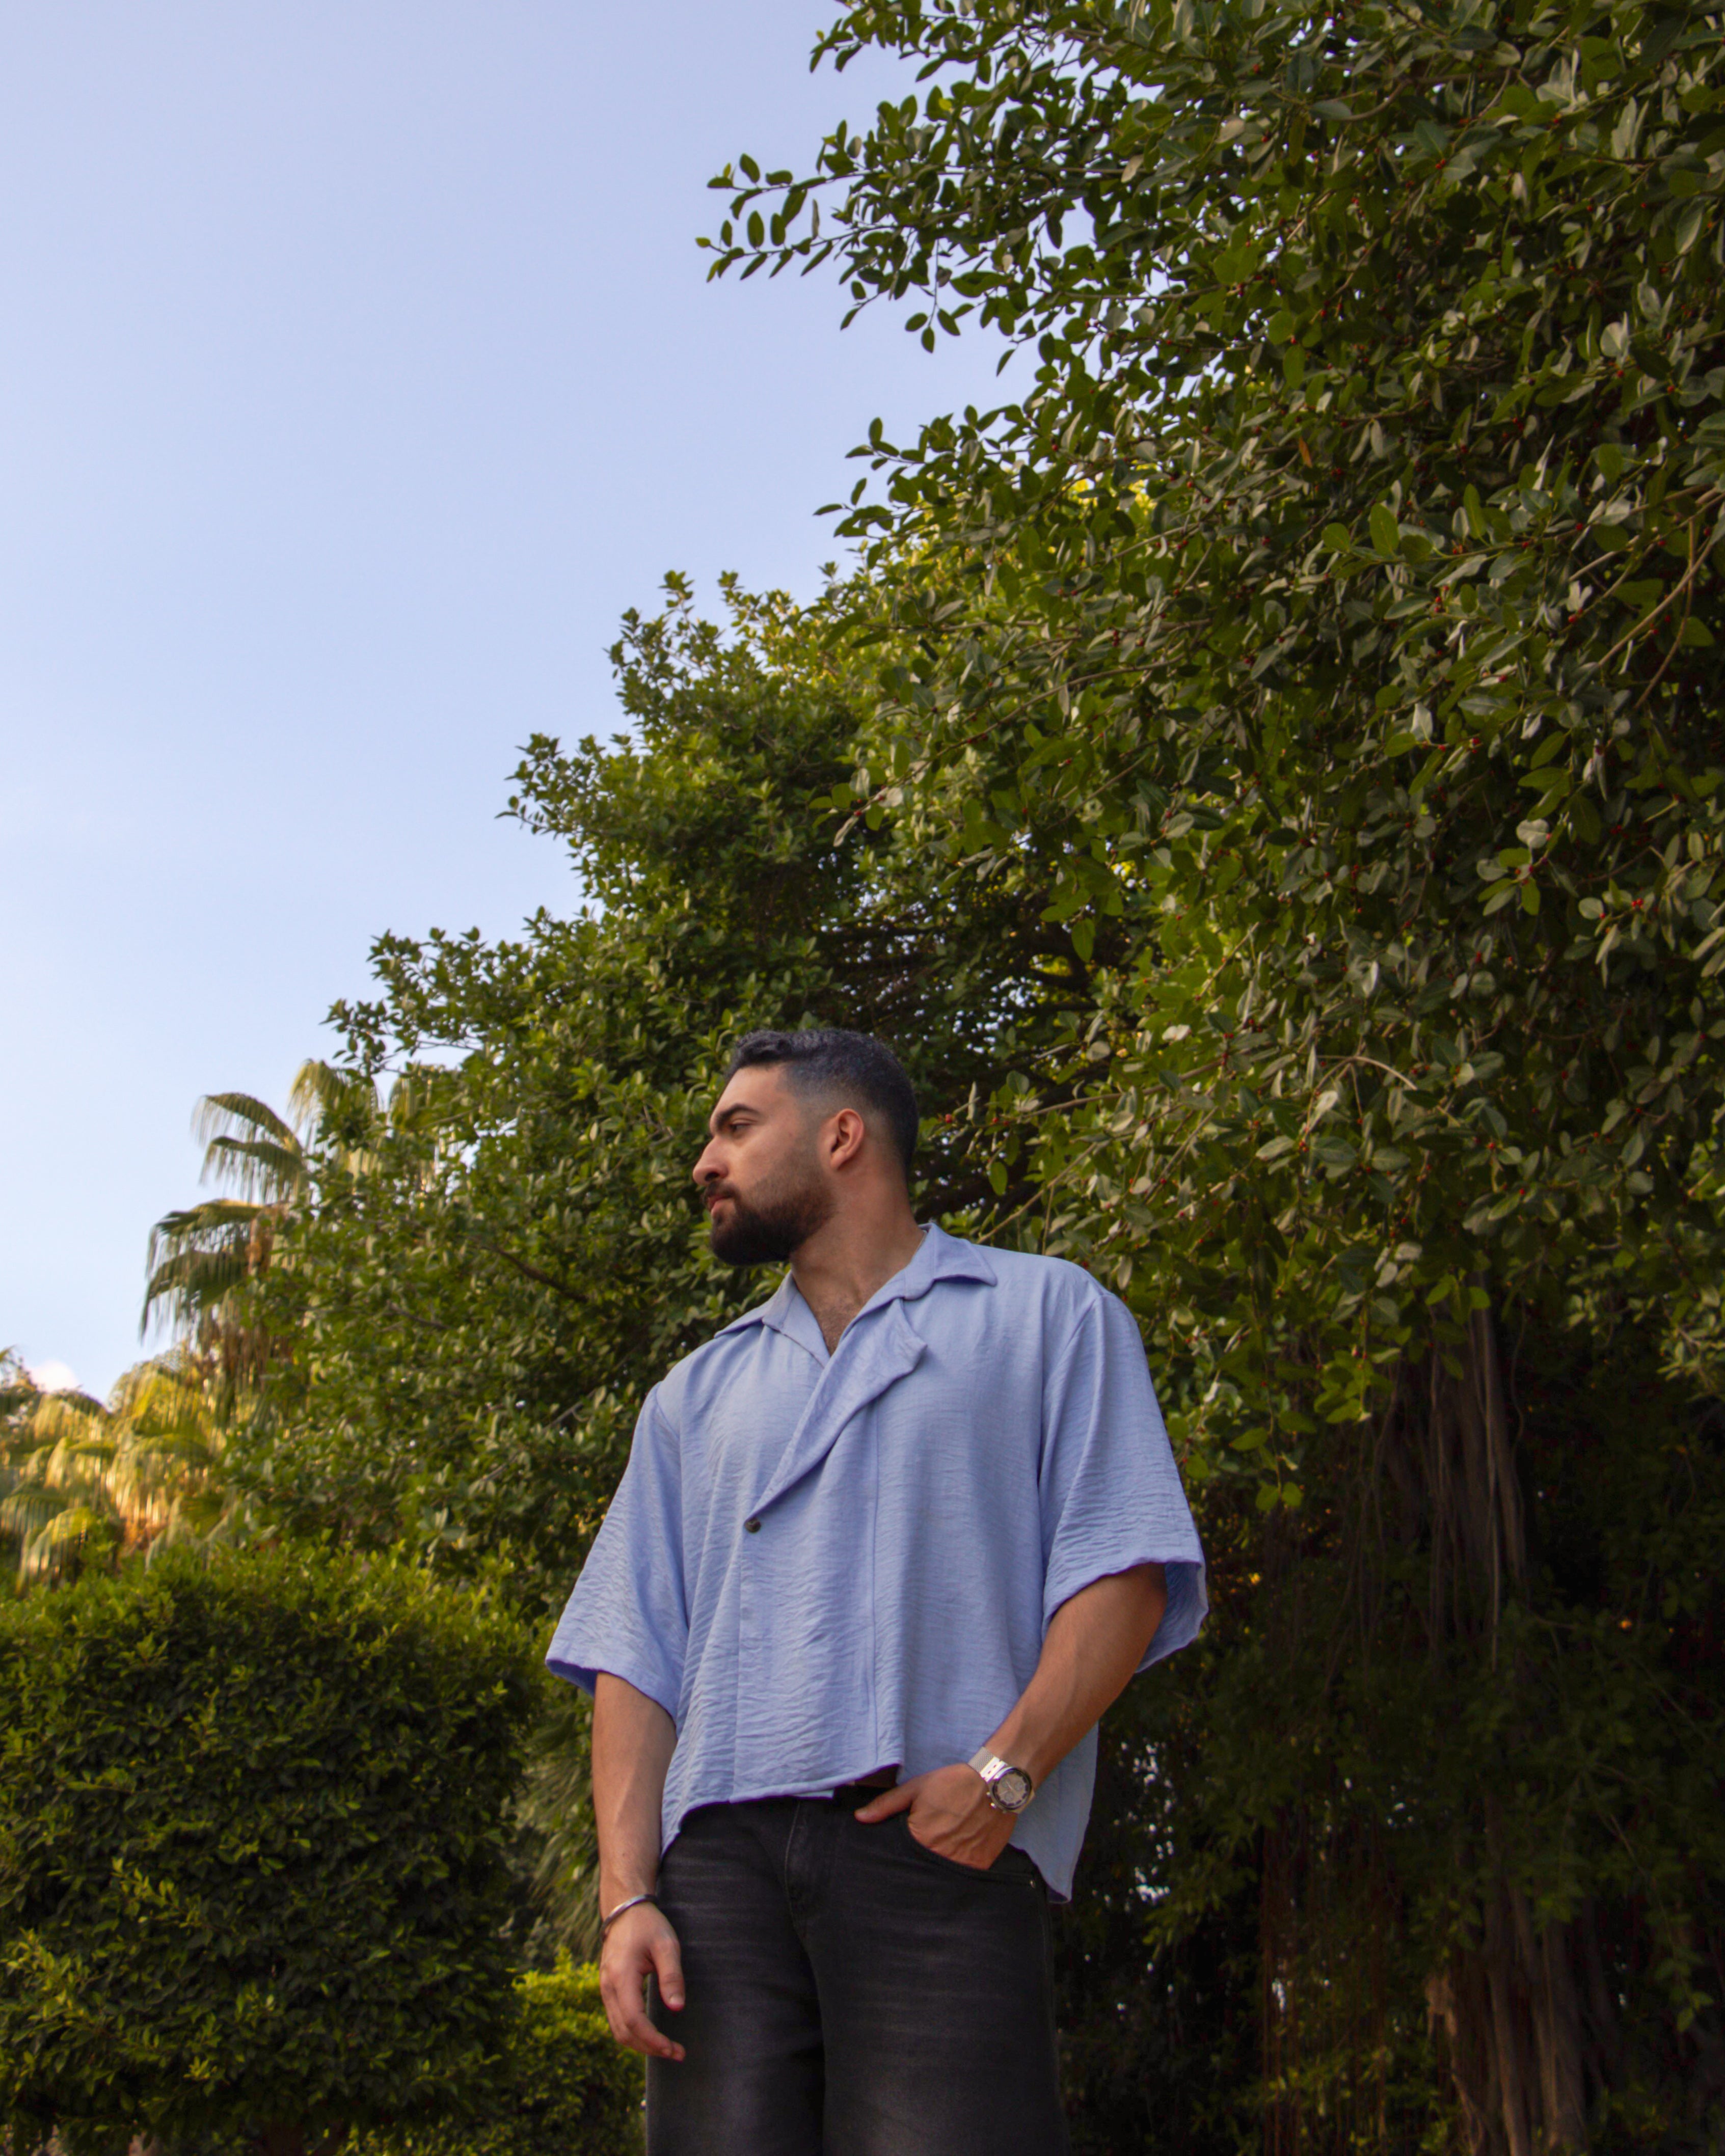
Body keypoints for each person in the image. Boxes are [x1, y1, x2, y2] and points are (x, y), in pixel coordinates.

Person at [546, 1028, 1205, 2156]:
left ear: (842, 1134)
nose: (706, 1160)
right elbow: (634, 1653)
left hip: (939, 1844)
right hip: (718, 1880)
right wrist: (626, 1894)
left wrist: (1002, 1778)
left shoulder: (1051, 1317)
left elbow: (1124, 1571)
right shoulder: (693, 1396)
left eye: (736, 1126)